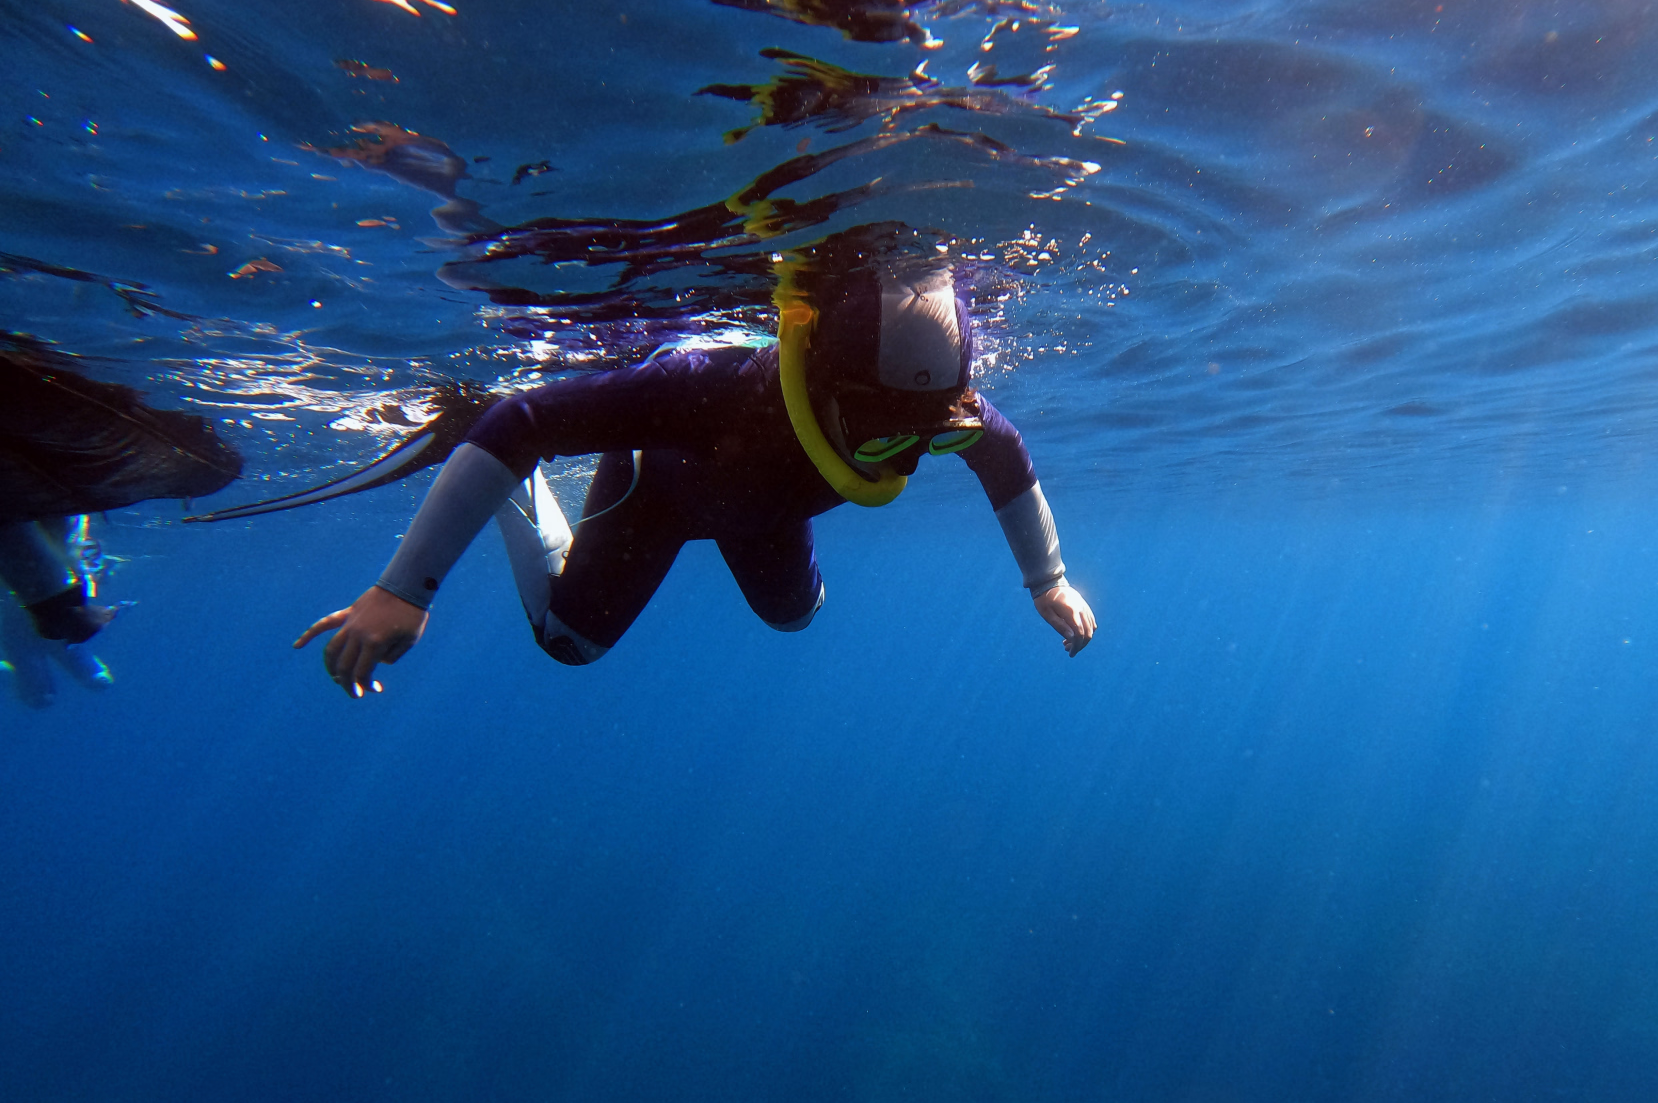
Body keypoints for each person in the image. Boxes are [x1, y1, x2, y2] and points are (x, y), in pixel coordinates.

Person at [296, 239, 1097, 696]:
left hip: (765, 509)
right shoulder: (704, 393)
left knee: (797, 617)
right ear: (822, 388)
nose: (910, 456)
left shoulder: (932, 413)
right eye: (888, 437)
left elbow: (1005, 459)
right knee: (568, 644)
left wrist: (1048, 581)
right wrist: (404, 590)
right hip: (663, 493)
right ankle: (517, 484)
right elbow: (523, 421)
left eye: (934, 436)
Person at [0, 517, 114, 707]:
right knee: (42, 688)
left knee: (40, 686)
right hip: (44, 610)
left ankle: (30, 680)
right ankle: (84, 672)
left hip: (38, 609)